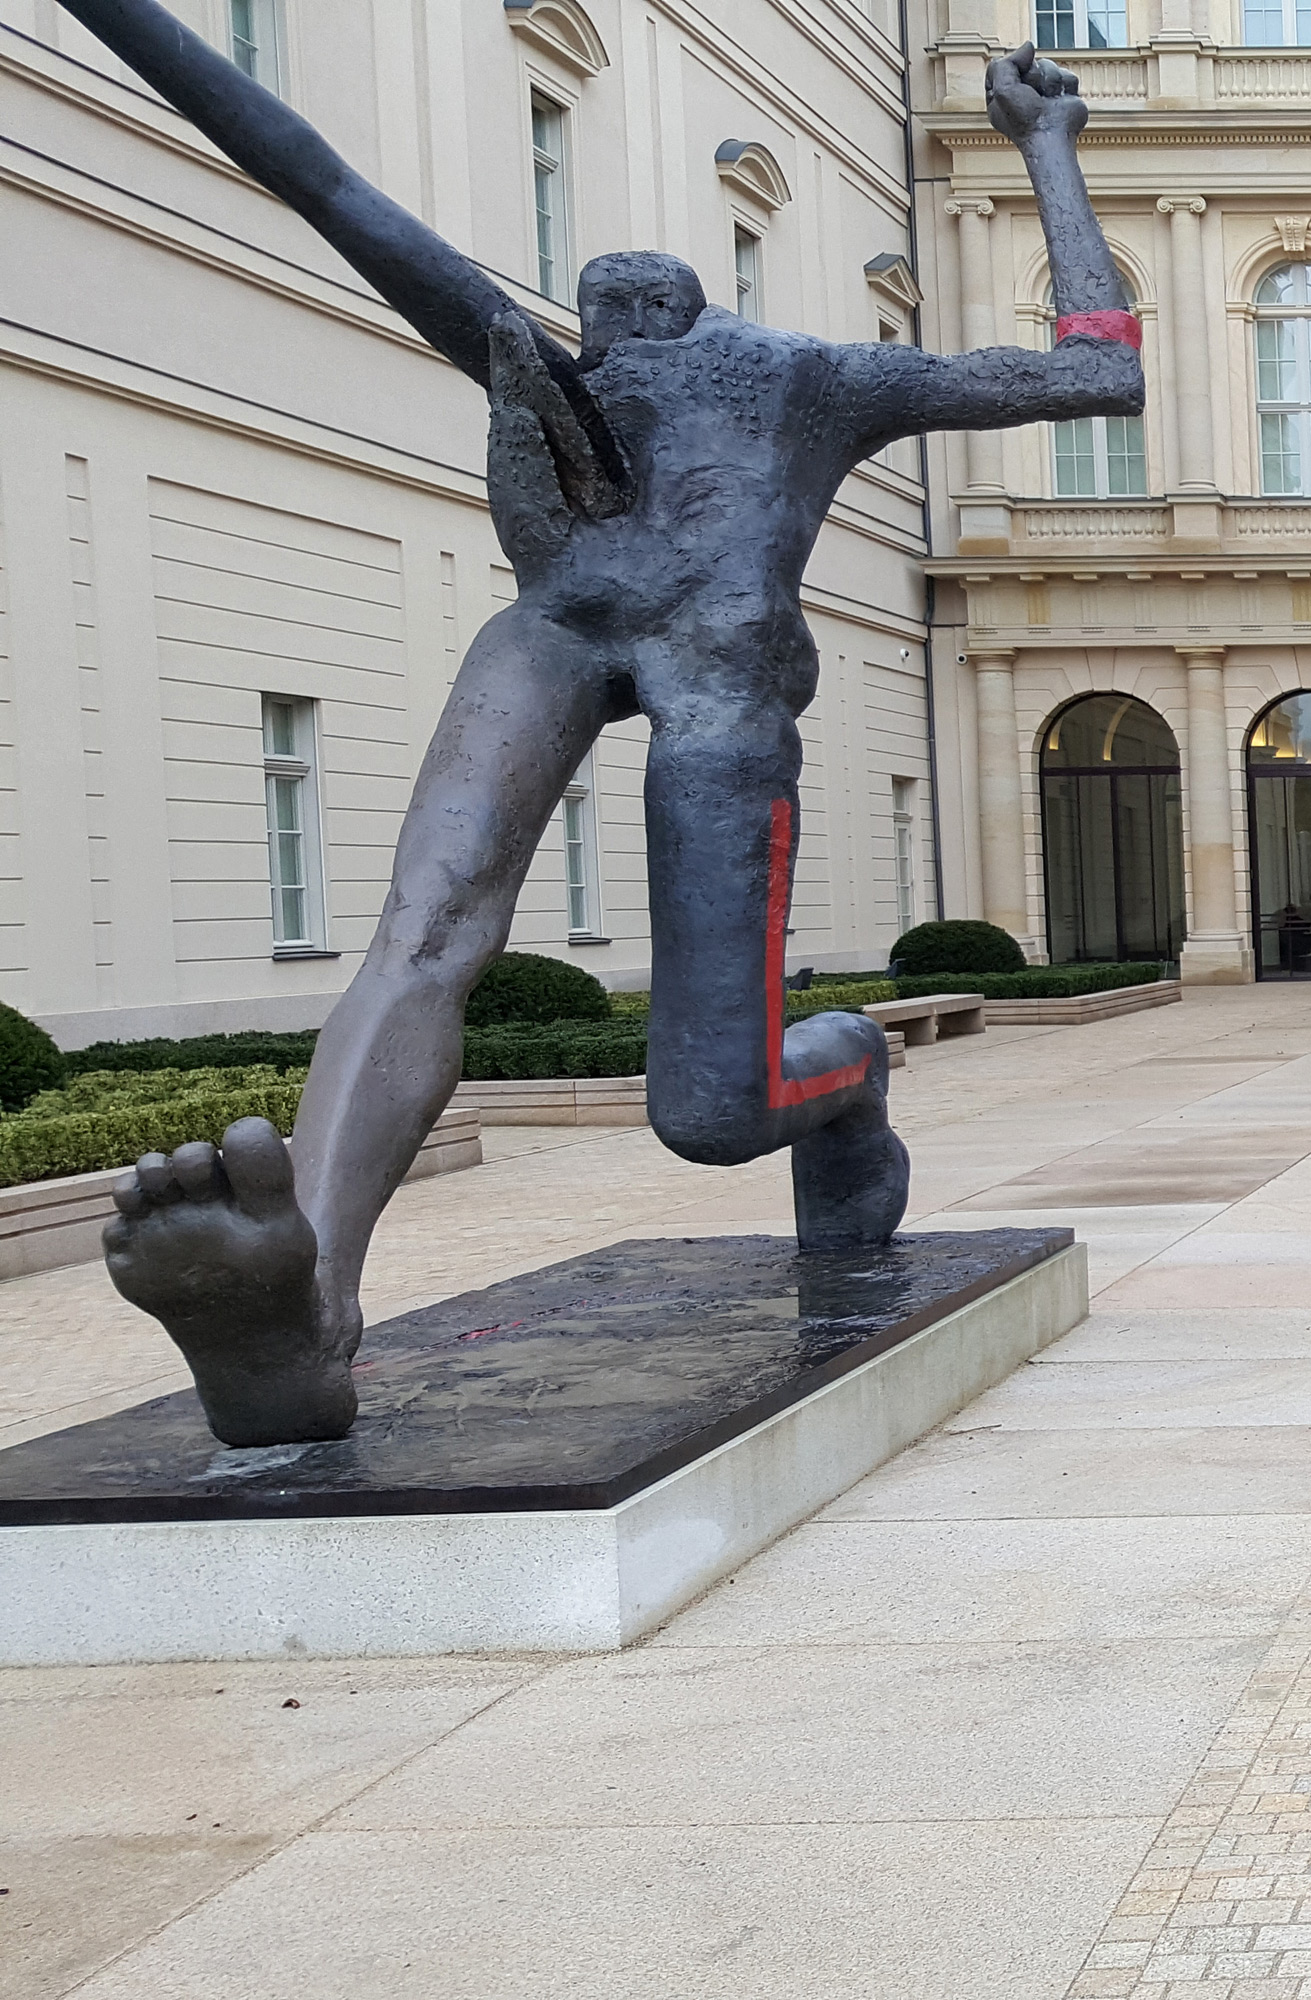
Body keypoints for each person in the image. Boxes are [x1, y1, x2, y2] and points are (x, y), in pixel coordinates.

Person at [58, 0, 1142, 1446]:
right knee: (424, 928)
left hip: (720, 678)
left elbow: (1093, 372)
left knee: (709, 1113)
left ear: (696, 313)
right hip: (560, 628)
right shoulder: (551, 372)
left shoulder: (806, 375)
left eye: (640, 300)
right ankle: (305, 1296)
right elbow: (312, 175)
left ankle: (843, 1074)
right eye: (601, 309)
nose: (618, 308)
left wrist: (1048, 147)